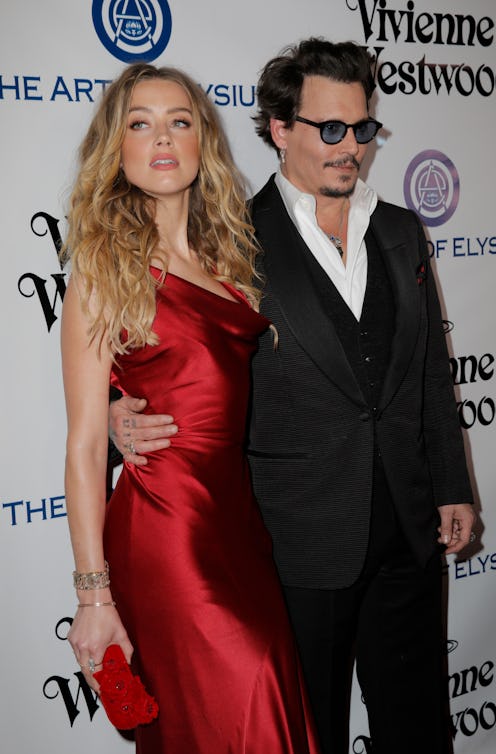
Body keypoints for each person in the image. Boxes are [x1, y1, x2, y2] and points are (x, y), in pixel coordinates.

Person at [108, 41, 475, 754]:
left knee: (419, 730)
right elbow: (173, 350)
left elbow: (431, 369)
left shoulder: (402, 230)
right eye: (330, 128)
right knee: (310, 736)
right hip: (294, 543)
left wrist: (453, 485)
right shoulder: (228, 242)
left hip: (407, 530)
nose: (351, 147)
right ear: (280, 129)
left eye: (362, 128)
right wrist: (117, 408)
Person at [61, 62, 320, 754]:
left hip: (238, 525)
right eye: (140, 124)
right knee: (245, 694)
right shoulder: (103, 269)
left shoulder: (227, 262)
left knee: (253, 706)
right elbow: (85, 444)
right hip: (166, 530)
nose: (162, 138)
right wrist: (93, 597)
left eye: (180, 121)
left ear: (203, 140)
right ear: (117, 148)